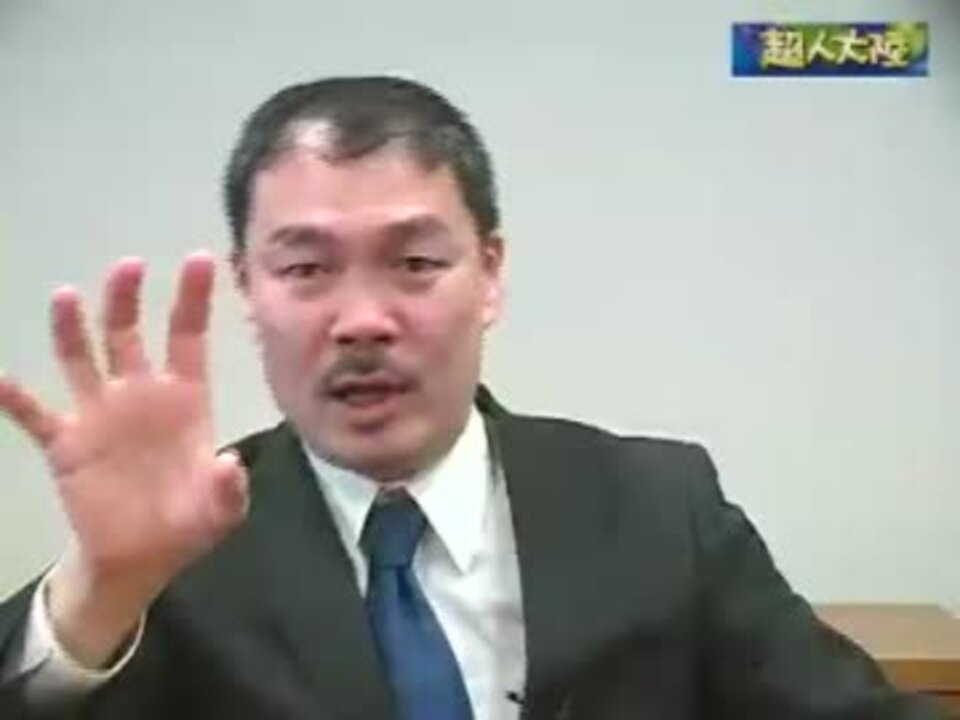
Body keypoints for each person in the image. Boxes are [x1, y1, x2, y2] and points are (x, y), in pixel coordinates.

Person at [0, 76, 945, 720]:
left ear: (489, 274)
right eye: (307, 269)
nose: (362, 320)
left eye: (415, 263)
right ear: (248, 287)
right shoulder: (180, 547)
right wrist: (99, 592)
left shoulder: (659, 504)